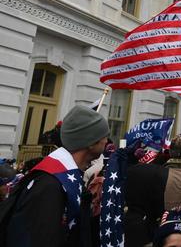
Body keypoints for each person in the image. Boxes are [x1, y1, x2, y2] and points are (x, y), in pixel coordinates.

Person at [4, 105, 109, 247]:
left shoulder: (66, 178)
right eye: (104, 136)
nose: (107, 141)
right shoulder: (50, 185)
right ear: (91, 143)